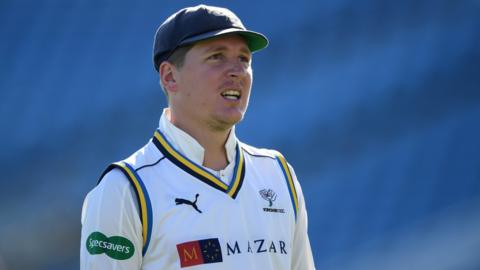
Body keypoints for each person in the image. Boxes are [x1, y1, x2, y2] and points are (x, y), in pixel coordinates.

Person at [80, 4, 315, 270]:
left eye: (244, 59)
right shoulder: (124, 189)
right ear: (170, 77)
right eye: (217, 56)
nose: (237, 71)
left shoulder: (278, 173)